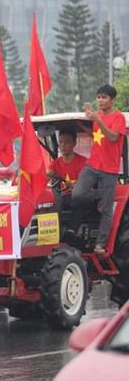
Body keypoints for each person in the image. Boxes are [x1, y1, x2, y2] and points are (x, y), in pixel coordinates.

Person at [72, 84, 127, 255]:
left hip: (109, 170)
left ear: (112, 99)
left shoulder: (118, 118)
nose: (101, 100)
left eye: (104, 97)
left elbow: (112, 137)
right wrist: (86, 122)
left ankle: (100, 244)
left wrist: (98, 120)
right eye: (99, 97)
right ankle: (102, 198)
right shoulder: (98, 117)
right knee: (77, 194)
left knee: (107, 210)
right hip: (92, 165)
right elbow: (96, 135)